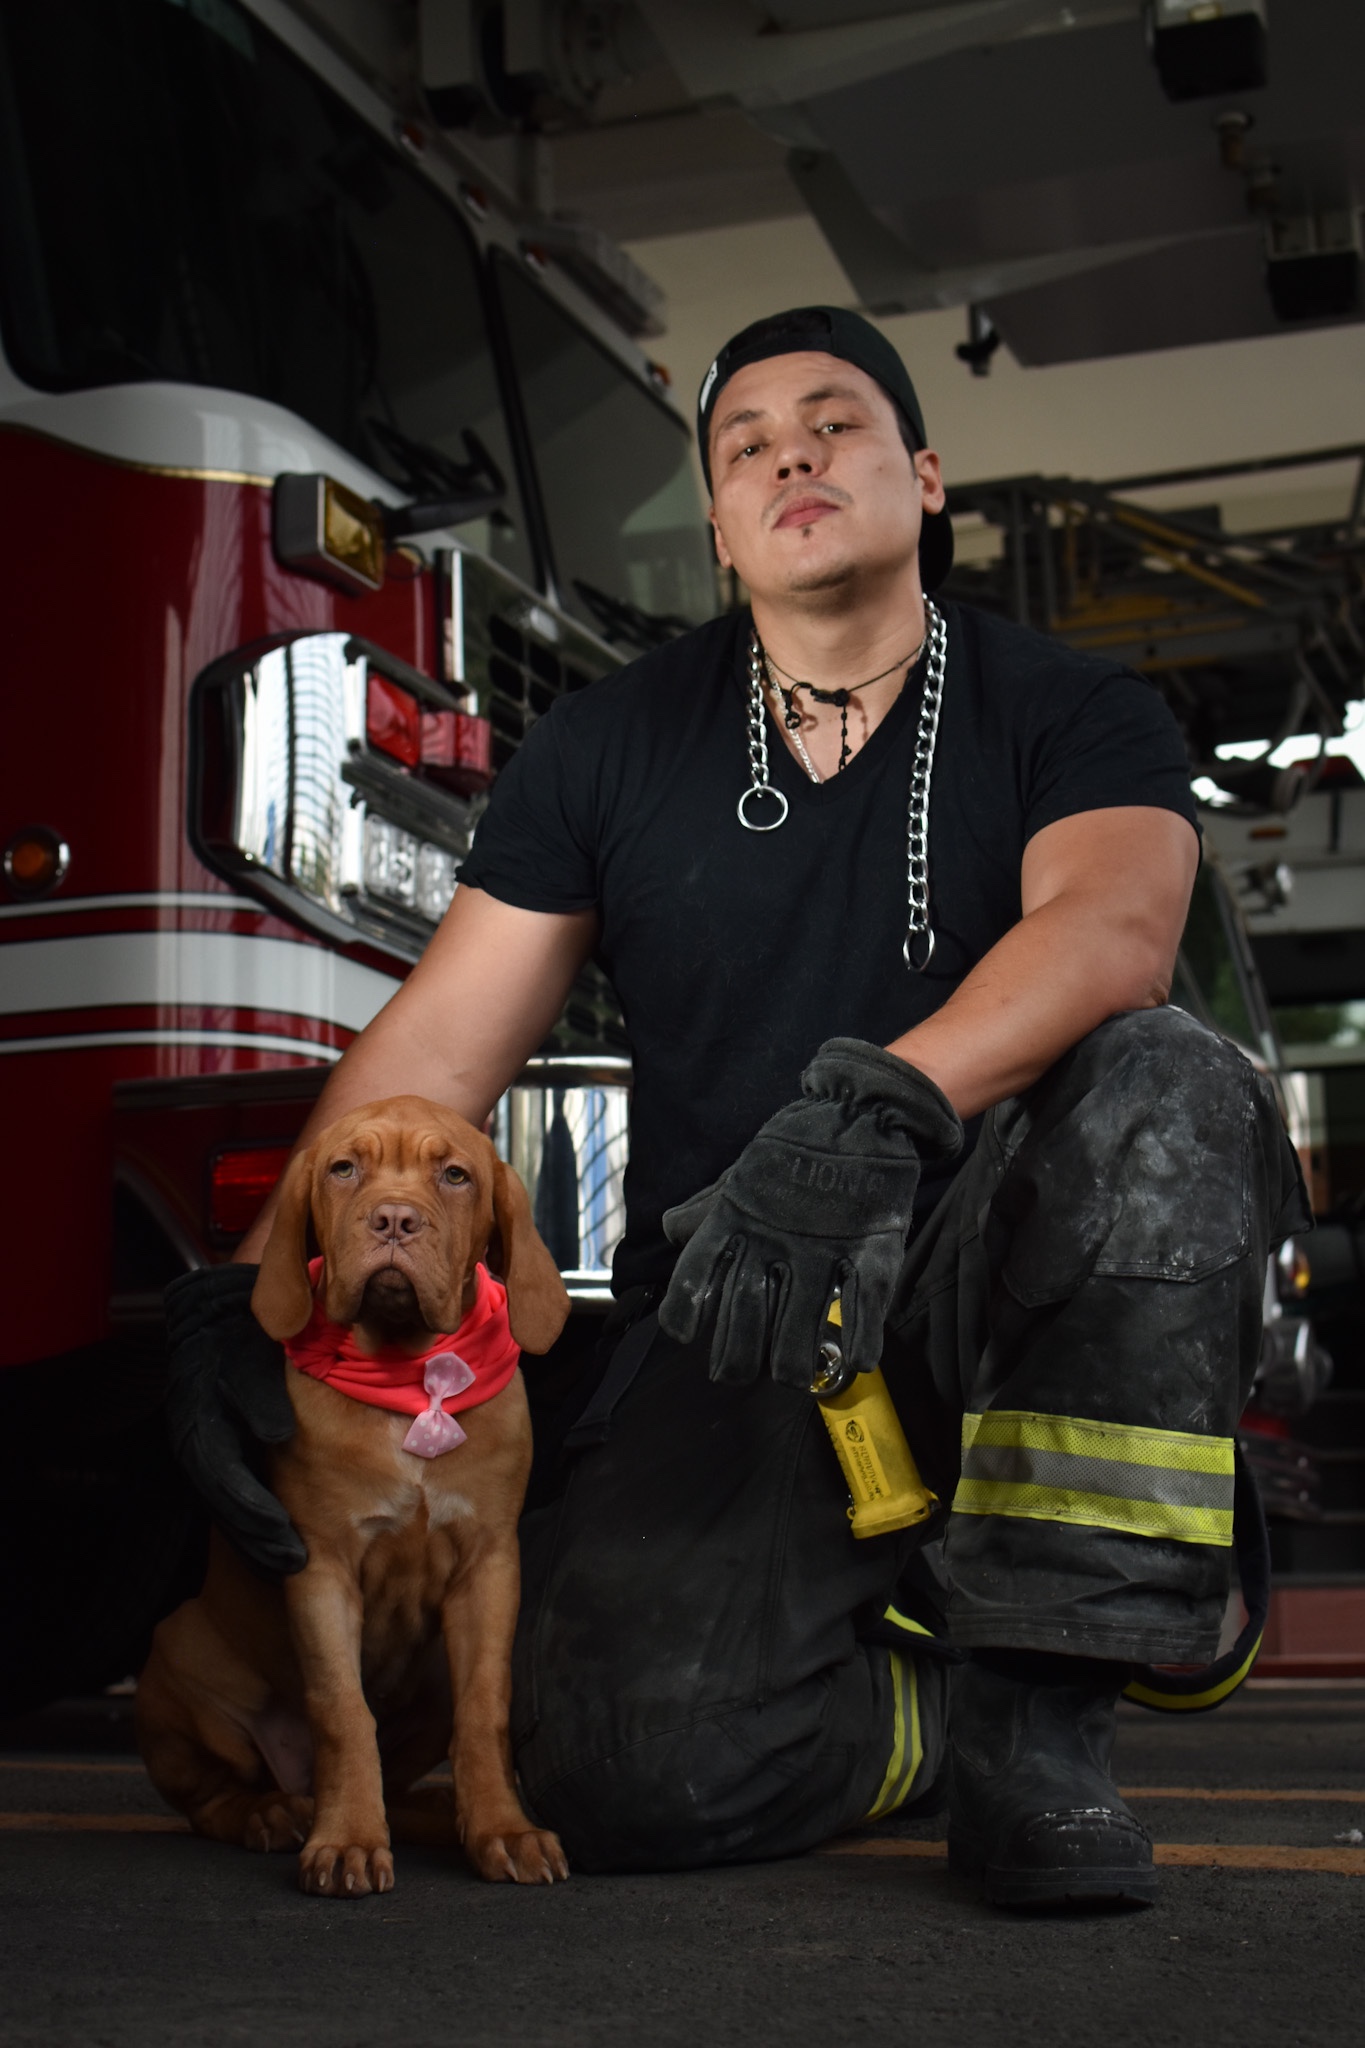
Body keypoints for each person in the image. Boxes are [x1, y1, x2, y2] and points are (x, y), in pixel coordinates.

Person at [166, 306, 1307, 1909]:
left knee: (1167, 1084)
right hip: (742, 1308)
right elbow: (435, 1050)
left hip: (991, 1291)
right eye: (745, 444)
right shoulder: (608, 746)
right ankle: (922, 1705)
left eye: (833, 422)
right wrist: (250, 1288)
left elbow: (1113, 934)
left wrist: (885, 1105)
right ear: (715, 522)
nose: (790, 456)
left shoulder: (1066, 707)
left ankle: (1040, 1720)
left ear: (921, 474)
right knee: (604, 1770)